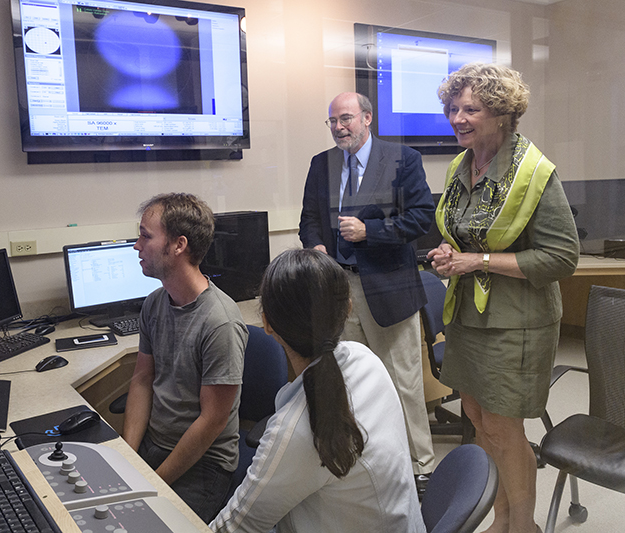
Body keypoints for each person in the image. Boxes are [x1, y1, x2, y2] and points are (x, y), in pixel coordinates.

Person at [427, 63, 579, 533]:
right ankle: (501, 516)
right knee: (475, 415)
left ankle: (523, 525)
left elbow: (561, 257)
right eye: (453, 108)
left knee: (503, 426)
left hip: (518, 322)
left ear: (502, 113)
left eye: (471, 108)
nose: (457, 118)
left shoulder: (534, 172)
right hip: (470, 318)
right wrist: (451, 252)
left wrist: (479, 263)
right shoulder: (463, 165)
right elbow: (471, 234)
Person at [210, 248, 424, 533]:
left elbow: (235, 526)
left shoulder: (294, 432)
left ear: (268, 325)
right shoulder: (366, 359)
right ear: (348, 308)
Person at [299, 91, 436, 490]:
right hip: (339, 289)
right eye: (333, 121)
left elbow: (420, 218)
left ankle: (419, 466)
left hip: (388, 289)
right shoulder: (321, 164)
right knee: (350, 381)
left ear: (367, 118)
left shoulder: (401, 159)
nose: (339, 128)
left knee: (402, 383)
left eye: (346, 119)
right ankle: (367, 459)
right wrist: (316, 246)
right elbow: (309, 217)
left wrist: (368, 231)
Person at [123, 193, 248, 522]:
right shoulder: (154, 304)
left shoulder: (220, 322)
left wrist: (154, 482)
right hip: (155, 444)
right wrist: (126, 456)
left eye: (146, 236)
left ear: (179, 245)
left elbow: (212, 422)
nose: (137, 245)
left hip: (204, 463)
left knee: (142, 523)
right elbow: (141, 380)